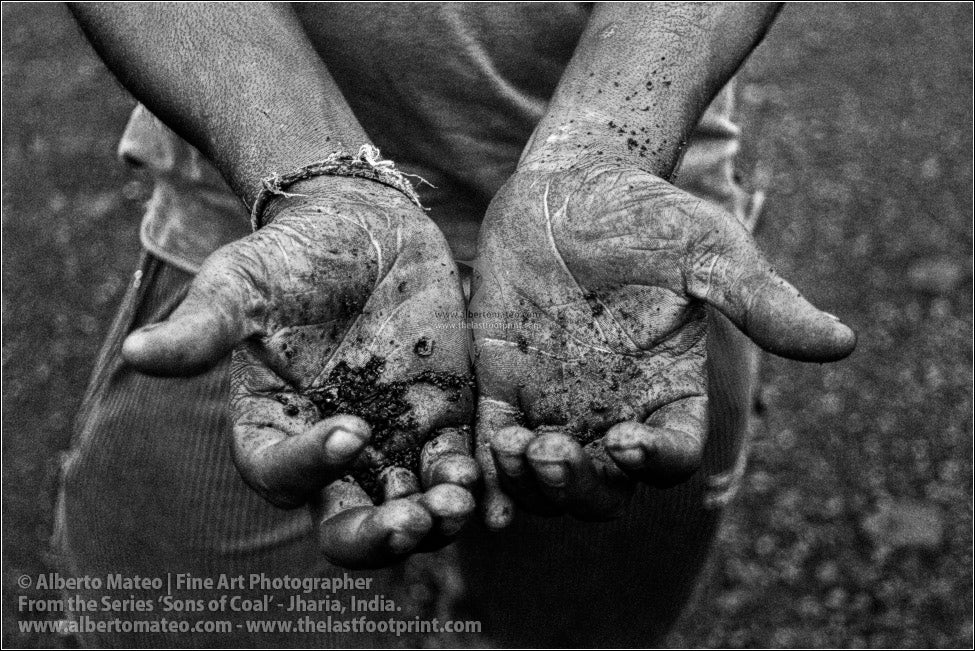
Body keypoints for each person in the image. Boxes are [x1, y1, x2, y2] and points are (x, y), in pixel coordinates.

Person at [54, 3, 855, 647]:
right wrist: (317, 176)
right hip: (270, 246)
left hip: (628, 253)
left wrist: (598, 146)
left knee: (582, 630)